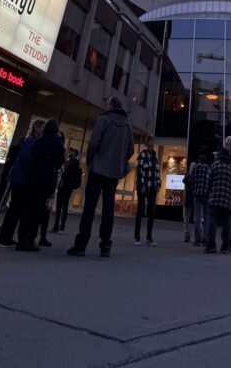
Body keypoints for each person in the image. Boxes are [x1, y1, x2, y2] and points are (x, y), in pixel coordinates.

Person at [67, 96, 133, 258]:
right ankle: (105, 245)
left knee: (89, 207)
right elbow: (130, 149)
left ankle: (81, 243)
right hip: (113, 173)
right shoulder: (127, 126)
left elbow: (94, 142)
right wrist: (119, 162)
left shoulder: (103, 120)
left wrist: (91, 161)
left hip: (98, 170)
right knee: (108, 209)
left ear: (110, 105)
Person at [0, 119, 45, 248]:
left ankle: (6, 236)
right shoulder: (31, 141)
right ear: (36, 128)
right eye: (41, 127)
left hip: (20, 178)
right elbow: (26, 158)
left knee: (16, 209)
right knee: (15, 209)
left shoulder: (31, 141)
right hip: (20, 178)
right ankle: (4, 238)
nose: (42, 131)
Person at [16, 118, 64, 252]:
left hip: (33, 175)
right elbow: (60, 160)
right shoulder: (57, 142)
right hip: (46, 177)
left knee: (28, 206)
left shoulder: (40, 140)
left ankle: (22, 237)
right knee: (38, 209)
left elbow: (32, 154)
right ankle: (31, 238)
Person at [205, 143, 231, 253]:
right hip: (228, 201)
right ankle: (225, 246)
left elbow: (208, 181)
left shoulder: (214, 165)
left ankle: (211, 245)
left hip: (214, 199)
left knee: (212, 222)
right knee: (226, 223)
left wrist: (208, 194)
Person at [134, 136, 161, 246]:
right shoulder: (142, 154)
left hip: (153, 188)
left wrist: (159, 183)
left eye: (153, 141)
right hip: (143, 187)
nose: (153, 143)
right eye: (151, 141)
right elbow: (139, 170)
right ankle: (137, 237)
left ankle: (149, 237)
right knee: (140, 211)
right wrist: (141, 184)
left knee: (152, 212)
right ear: (147, 142)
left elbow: (157, 171)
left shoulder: (155, 156)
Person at [52, 148, 82, 232]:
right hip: (65, 187)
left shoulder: (72, 163)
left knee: (62, 206)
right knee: (62, 206)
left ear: (74, 153)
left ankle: (60, 226)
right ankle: (58, 226)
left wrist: (64, 180)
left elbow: (67, 175)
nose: (69, 152)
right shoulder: (69, 162)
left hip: (65, 187)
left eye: (71, 151)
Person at [190, 151, 211, 245]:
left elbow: (191, 180)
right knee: (207, 216)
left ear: (199, 160)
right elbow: (211, 181)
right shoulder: (208, 169)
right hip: (206, 195)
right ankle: (206, 238)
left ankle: (197, 238)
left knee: (197, 216)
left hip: (197, 194)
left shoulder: (195, 168)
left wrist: (194, 189)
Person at [182, 162, 196, 242]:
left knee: (186, 219)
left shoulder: (188, 176)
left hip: (188, 200)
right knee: (197, 219)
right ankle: (198, 235)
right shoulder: (197, 176)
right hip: (194, 200)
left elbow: (184, 181)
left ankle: (187, 235)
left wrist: (188, 174)